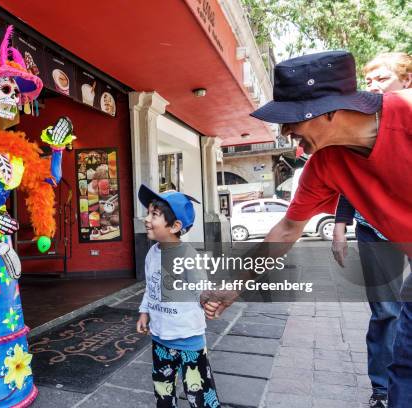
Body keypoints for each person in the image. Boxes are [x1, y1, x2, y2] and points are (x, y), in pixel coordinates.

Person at [201, 50, 411, 407]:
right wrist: (234, 285)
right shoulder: (325, 163)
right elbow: (286, 230)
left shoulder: (405, 113)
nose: (287, 133)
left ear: (329, 110)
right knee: (404, 369)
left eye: (292, 120)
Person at [331, 52, 410, 408]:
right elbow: (351, 176)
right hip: (374, 231)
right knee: (387, 311)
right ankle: (382, 390)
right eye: (370, 80)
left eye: (382, 79)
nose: (373, 86)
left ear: (405, 81)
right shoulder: (361, 123)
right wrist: (340, 222)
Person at [136, 184, 221, 408]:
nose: (146, 219)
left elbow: (202, 288)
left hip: (188, 340)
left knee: (199, 391)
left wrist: (210, 301)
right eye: (148, 212)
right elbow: (150, 287)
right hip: (160, 337)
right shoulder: (152, 254)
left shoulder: (187, 256)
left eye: (154, 214)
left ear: (175, 226)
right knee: (163, 390)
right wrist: (144, 311)